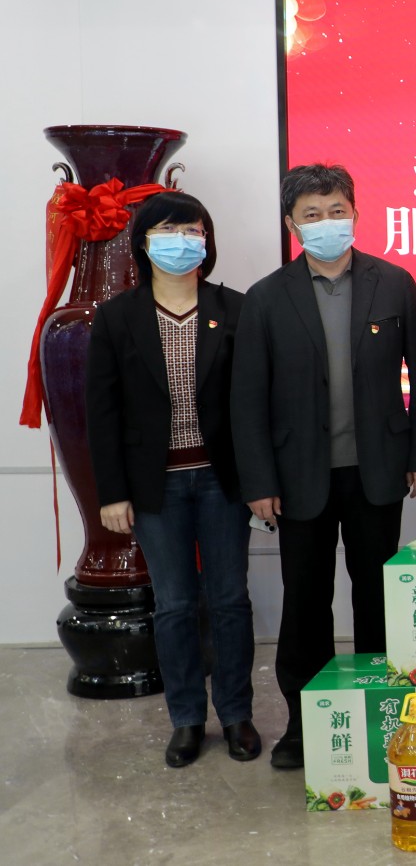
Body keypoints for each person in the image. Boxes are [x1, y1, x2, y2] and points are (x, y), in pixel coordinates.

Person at [232, 163, 416, 769]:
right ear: (292, 224)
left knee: (377, 597)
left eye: (336, 211)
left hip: (378, 471)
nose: (326, 223)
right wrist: (258, 482)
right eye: (312, 214)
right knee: (305, 603)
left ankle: (385, 717)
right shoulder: (267, 297)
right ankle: (305, 726)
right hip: (299, 477)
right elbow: (247, 398)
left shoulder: (394, 283)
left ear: (354, 214)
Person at [85, 192, 258, 768]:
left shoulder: (234, 308)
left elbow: (255, 403)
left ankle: (236, 715)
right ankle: (186, 719)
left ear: (207, 241)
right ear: (143, 243)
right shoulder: (117, 317)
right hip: (154, 486)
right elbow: (101, 412)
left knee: (230, 600)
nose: (181, 241)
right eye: (167, 231)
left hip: (222, 481)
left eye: (192, 230)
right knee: (176, 604)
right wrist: (112, 493)